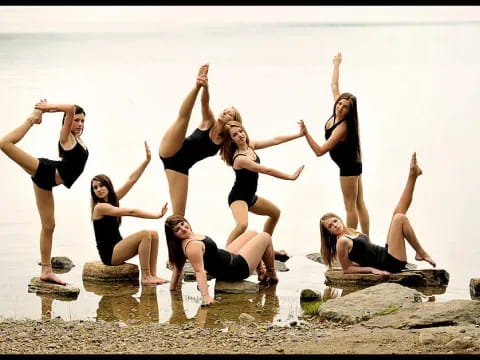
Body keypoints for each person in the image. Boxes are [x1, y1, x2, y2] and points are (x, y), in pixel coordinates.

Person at [0, 100, 88, 285]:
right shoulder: (66, 138)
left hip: (46, 181)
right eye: (76, 120)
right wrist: (45, 110)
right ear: (67, 122)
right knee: (5, 144)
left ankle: (46, 271)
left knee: (49, 226)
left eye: (82, 121)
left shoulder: (78, 139)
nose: (79, 124)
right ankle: (31, 119)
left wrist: (48, 108)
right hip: (45, 171)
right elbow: (70, 108)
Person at [320, 153, 436, 275]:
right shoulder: (341, 241)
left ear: (339, 219)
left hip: (386, 254)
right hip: (390, 263)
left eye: (335, 221)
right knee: (399, 218)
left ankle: (413, 175)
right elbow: (347, 269)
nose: (335, 225)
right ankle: (421, 253)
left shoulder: (351, 231)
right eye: (330, 227)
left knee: (398, 213)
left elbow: (360, 256)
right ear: (329, 233)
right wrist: (371, 269)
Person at [299, 52, 370, 235]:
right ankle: (365, 238)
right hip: (354, 162)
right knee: (359, 202)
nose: (340, 107)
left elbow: (320, 151)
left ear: (350, 111)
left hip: (349, 167)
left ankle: (353, 240)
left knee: (350, 206)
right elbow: (334, 85)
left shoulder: (343, 127)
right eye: (339, 104)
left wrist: (306, 134)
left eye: (345, 107)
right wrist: (336, 64)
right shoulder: (337, 112)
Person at [159, 64, 242, 216]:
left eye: (229, 113)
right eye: (225, 110)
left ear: (233, 121)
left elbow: (263, 142)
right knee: (184, 118)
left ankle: (175, 239)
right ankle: (197, 83)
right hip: (172, 148)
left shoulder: (227, 141)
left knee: (179, 216)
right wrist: (204, 87)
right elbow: (205, 103)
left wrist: (296, 135)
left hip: (180, 167)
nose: (225, 112)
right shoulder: (209, 121)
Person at [220, 120, 304, 261]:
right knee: (242, 225)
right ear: (231, 140)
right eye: (235, 135)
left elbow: (275, 140)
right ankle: (225, 255)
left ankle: (266, 247)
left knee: (275, 213)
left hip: (250, 197)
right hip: (238, 198)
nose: (240, 135)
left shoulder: (250, 145)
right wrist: (290, 177)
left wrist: (299, 135)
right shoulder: (240, 158)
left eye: (241, 131)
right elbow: (266, 170)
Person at [91, 141, 169, 286]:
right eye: (95, 188)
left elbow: (131, 180)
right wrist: (156, 215)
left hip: (118, 247)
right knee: (145, 234)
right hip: (109, 254)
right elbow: (130, 211)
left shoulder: (112, 199)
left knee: (153, 234)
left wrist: (146, 161)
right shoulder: (100, 207)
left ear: (108, 185)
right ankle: (145, 276)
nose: (99, 189)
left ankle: (153, 274)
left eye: (101, 185)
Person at [165, 214, 278, 305]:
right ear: (173, 236)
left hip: (226, 258)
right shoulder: (192, 246)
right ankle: (271, 273)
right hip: (236, 268)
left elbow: (177, 267)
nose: (183, 228)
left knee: (252, 233)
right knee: (265, 236)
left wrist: (172, 289)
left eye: (182, 223)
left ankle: (261, 272)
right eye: (177, 230)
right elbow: (199, 272)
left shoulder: (186, 239)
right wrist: (206, 297)